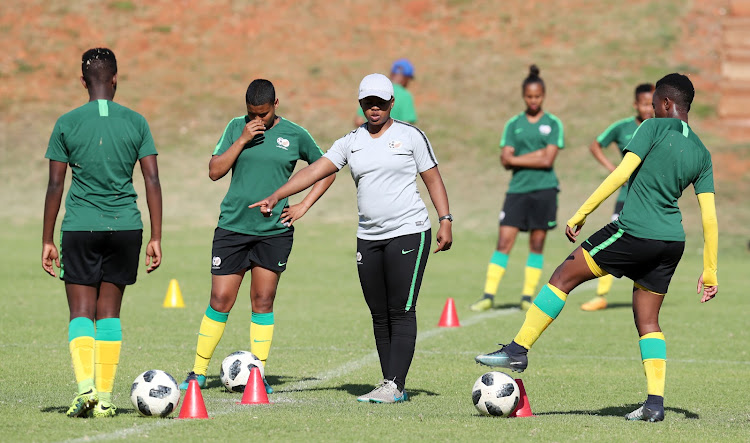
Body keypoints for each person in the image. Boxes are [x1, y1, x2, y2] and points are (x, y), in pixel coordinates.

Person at [475, 73, 718, 423]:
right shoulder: (702, 152)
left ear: (666, 103)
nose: (651, 111)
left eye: (653, 106)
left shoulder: (651, 128)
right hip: (671, 243)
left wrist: (581, 213)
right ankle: (654, 404)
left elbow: (620, 174)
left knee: (562, 277)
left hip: (635, 231)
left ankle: (517, 350)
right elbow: (709, 218)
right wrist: (710, 270)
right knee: (648, 320)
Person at [251, 73, 452, 403]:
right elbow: (316, 170)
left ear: (391, 103)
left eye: (380, 103)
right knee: (378, 312)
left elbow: (433, 179)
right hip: (368, 237)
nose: (374, 108)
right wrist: (279, 196)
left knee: (401, 309)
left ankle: (395, 385)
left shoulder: (411, 136)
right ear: (360, 105)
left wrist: (445, 219)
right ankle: (390, 382)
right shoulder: (351, 141)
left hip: (410, 231)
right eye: (368, 103)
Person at [179, 79, 335, 394]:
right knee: (220, 300)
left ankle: (257, 376)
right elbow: (214, 171)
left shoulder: (294, 134)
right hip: (233, 228)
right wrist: (242, 140)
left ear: (275, 103)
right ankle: (197, 372)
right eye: (252, 113)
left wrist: (304, 205)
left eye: (262, 114)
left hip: (273, 233)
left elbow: (327, 168)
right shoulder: (237, 127)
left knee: (262, 301)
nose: (257, 120)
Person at [42, 48, 163, 418]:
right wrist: (157, 236)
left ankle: (85, 390)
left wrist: (47, 239)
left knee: (81, 310)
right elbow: (152, 179)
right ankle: (106, 399)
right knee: (109, 312)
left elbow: (55, 185)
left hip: (80, 226)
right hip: (126, 227)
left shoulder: (66, 122)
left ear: (83, 82)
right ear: (115, 80)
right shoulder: (137, 121)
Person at [470, 65, 564, 312]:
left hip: (545, 190)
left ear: (543, 95)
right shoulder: (513, 124)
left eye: (538, 96)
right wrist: (537, 154)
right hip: (517, 191)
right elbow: (505, 159)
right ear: (524, 96)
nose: (534, 100)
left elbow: (548, 161)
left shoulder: (553, 124)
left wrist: (518, 158)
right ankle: (488, 295)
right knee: (503, 242)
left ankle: (526, 297)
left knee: (536, 244)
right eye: (529, 96)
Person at [581, 83, 655, 311]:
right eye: (644, 104)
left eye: (652, 104)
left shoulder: (661, 128)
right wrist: (614, 170)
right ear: (635, 104)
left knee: (648, 244)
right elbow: (595, 145)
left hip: (652, 198)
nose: (648, 109)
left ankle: (646, 292)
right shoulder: (622, 128)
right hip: (626, 196)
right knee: (614, 240)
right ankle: (601, 295)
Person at [354, 58, 417, 126]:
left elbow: (358, 120)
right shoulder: (405, 95)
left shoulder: (374, 91)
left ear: (392, 74)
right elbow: (408, 124)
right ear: (406, 78)